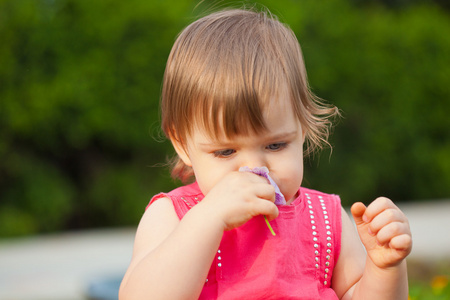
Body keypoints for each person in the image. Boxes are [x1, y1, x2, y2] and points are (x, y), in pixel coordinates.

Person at [119, 8, 412, 300]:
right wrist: (208, 218)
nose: (254, 167)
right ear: (182, 145)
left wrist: (384, 268)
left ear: (303, 129)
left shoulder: (326, 219)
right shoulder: (172, 217)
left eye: (275, 146)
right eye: (225, 151)